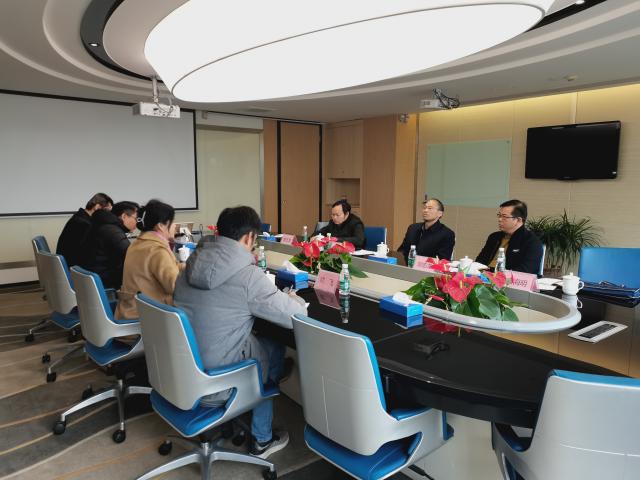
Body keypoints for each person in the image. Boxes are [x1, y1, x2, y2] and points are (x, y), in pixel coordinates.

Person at [173, 206, 307, 459]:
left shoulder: (190, 264)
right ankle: (262, 438)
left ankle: (257, 394)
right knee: (273, 348)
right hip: (216, 381)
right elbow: (295, 317)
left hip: (182, 369)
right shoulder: (247, 276)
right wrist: (294, 298)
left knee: (258, 342)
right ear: (249, 238)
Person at [115, 200, 184, 320]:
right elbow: (175, 287)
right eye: (172, 222)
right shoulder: (157, 250)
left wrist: (187, 266)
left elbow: (168, 267)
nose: (175, 226)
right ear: (161, 225)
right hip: (147, 316)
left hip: (129, 309)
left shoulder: (138, 243)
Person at [476, 199, 543, 275]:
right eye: (499, 215)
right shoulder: (494, 237)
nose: (499, 219)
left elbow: (527, 270)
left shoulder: (532, 241)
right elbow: (479, 262)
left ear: (518, 220)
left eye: (504, 217)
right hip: (484, 277)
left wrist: (498, 276)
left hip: (508, 280)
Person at [82, 201, 139, 289]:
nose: (137, 223)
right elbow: (133, 258)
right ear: (124, 216)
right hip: (105, 285)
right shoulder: (113, 232)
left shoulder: (103, 225)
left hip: (92, 282)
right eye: (136, 219)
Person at [56, 193, 113, 267]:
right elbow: (88, 253)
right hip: (74, 267)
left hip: (69, 263)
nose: (108, 215)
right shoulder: (84, 224)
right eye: (107, 211)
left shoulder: (80, 217)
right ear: (97, 207)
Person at [398, 198, 455, 262]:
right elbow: (402, 250)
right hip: (407, 265)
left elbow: (442, 260)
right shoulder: (413, 228)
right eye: (424, 208)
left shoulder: (447, 234)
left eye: (430, 208)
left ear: (440, 214)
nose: (425, 210)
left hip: (429, 267)